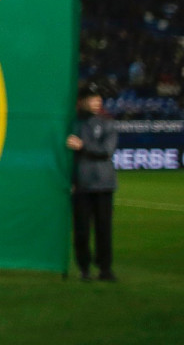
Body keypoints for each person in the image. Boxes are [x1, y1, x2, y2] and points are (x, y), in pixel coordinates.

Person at [66, 84, 118, 282]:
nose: (97, 102)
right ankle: (84, 268)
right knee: (81, 230)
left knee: (104, 229)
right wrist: (71, 180)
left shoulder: (107, 123)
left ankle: (105, 269)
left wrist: (82, 146)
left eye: (98, 98)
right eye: (93, 98)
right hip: (81, 184)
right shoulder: (73, 123)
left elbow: (106, 151)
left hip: (104, 184)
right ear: (82, 101)